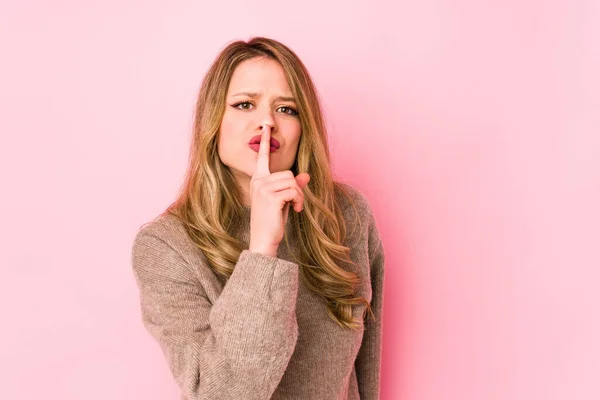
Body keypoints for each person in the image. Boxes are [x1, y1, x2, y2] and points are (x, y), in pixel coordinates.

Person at [131, 37, 385, 400]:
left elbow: (365, 373)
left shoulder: (347, 215)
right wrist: (263, 250)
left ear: (303, 127)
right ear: (213, 121)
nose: (266, 122)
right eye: (244, 104)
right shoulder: (165, 245)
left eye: (287, 109)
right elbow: (224, 394)